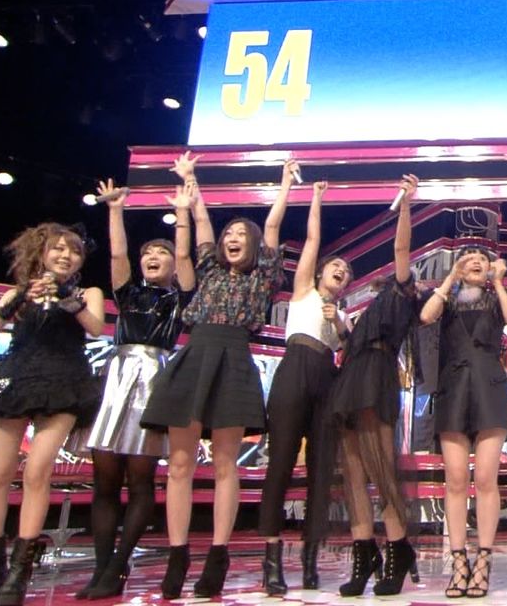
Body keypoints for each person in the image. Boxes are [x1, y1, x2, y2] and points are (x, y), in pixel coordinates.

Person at [140, 153, 294, 598]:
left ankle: (218, 555)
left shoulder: (264, 277)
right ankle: (177, 554)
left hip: (234, 357)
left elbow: (272, 225)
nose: (233, 238)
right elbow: (202, 224)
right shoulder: (207, 268)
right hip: (195, 353)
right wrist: (190, 183)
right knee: (180, 464)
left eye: (241, 235)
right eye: (230, 234)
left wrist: (285, 184)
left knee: (226, 464)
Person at [0, 223, 106, 606]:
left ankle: (19, 571)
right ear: (41, 253)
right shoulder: (19, 291)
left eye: (74, 251)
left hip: (65, 381)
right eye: (58, 248)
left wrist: (66, 297)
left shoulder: (87, 292)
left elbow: (96, 328)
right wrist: (20, 298)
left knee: (37, 471)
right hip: (17, 378)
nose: (66, 255)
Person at [72, 181, 197, 599]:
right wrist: (115, 210)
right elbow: (117, 254)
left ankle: (119, 564)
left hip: (153, 378)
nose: (152, 256)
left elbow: (185, 258)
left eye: (160, 252)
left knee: (141, 480)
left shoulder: (180, 299)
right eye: (148, 253)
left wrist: (183, 214)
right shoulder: (126, 293)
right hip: (117, 374)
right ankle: (101, 567)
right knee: (105, 481)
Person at [329, 175, 422, 597]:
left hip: (376, 374)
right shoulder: (369, 308)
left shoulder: (402, 296)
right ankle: (364, 553)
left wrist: (406, 206)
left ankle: (399, 548)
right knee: (352, 470)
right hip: (351, 373)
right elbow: (349, 343)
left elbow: (401, 249)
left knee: (381, 467)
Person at [259, 179, 351, 594]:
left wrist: (339, 325)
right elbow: (313, 241)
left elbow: (350, 349)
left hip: (326, 376)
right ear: (320, 272)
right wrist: (315, 198)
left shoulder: (342, 315)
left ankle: (311, 557)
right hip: (295, 365)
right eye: (336, 266)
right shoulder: (303, 292)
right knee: (280, 462)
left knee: (321, 470)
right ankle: (271, 559)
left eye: (346, 271)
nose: (341, 270)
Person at [419, 246, 507, 598]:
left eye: (482, 257)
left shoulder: (495, 298)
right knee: (456, 480)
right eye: (468, 257)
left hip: (490, 389)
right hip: (453, 390)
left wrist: (499, 282)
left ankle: (484, 559)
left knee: (485, 478)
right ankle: (459, 560)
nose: (476, 260)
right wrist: (450, 278)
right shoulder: (447, 299)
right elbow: (426, 315)